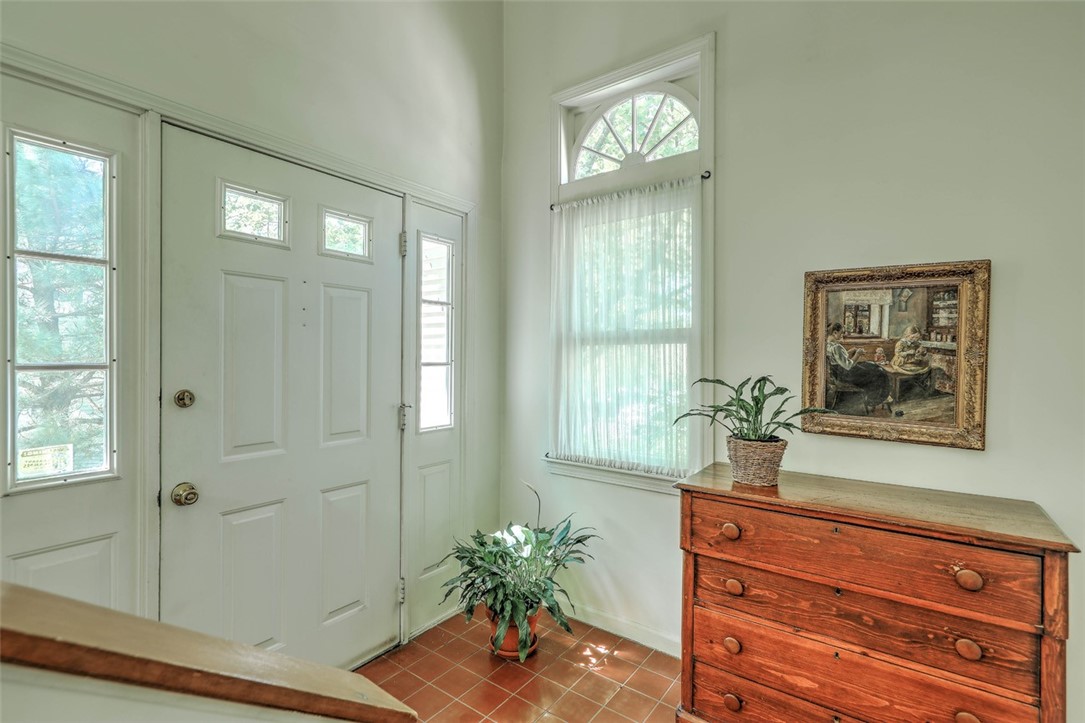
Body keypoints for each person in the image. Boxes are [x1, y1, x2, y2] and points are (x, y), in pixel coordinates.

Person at [826, 322, 890, 411]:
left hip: (838, 373)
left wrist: (850, 351)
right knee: (879, 372)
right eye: (841, 332)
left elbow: (839, 359)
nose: (843, 335)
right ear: (835, 333)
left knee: (870, 366)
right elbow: (848, 365)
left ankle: (873, 398)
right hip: (846, 375)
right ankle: (875, 399)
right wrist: (858, 354)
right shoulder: (836, 347)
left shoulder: (827, 345)